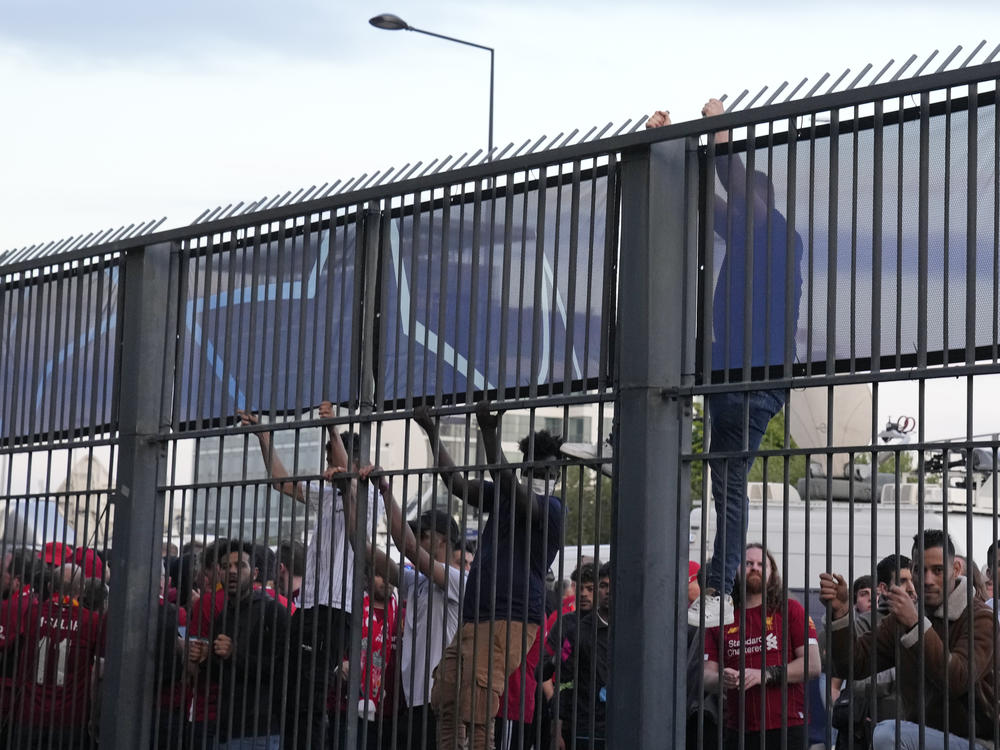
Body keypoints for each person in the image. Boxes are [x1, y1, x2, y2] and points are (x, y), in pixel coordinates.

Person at [647, 99, 804, 628]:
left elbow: (733, 194)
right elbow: (705, 202)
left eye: (744, 206)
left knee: (728, 480)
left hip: (755, 379)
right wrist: (673, 148)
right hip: (730, 378)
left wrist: (720, 137)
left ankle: (718, 585)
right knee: (724, 481)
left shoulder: (781, 236)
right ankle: (718, 584)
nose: (732, 215)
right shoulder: (742, 236)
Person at [415, 402, 565, 750]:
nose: (544, 479)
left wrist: (489, 433)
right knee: (449, 697)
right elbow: (456, 484)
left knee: (479, 706)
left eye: (549, 472)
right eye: (538, 471)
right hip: (475, 614)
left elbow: (511, 486)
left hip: (510, 617)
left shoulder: (553, 509)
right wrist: (433, 431)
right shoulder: (502, 495)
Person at [239, 401, 376, 750]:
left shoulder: (367, 492)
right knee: (292, 688)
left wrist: (333, 428)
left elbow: (348, 483)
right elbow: (281, 484)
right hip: (313, 604)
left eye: (331, 453)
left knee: (312, 692)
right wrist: (264, 438)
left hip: (336, 607)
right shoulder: (328, 492)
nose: (328, 462)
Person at [821, 530, 998, 750]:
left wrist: (916, 625)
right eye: (919, 570)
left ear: (956, 570)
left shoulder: (980, 618)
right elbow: (854, 665)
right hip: (923, 735)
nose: (927, 580)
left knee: (889, 735)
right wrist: (840, 615)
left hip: (978, 741)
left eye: (938, 570)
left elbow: (957, 679)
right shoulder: (904, 617)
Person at [360, 463, 465, 750]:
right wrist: (349, 493)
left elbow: (406, 546)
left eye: (424, 535)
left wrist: (385, 491)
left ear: (443, 539)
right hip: (415, 700)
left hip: (443, 699)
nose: (417, 540)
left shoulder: (458, 580)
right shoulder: (416, 581)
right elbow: (363, 547)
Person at [704, 544, 820, 750]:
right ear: (736, 570)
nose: (755, 568)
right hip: (737, 729)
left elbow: (812, 666)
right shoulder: (720, 616)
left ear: (771, 572)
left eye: (761, 564)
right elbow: (705, 677)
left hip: (786, 726)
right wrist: (723, 678)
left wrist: (764, 675)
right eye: (748, 563)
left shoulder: (790, 610)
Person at [11, 561, 105, 750]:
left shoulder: (32, 613)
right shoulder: (92, 621)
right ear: (82, 589)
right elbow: (99, 670)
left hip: (30, 716)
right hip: (70, 719)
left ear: (48, 586)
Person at [207, 540, 291, 750]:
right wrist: (204, 658)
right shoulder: (224, 616)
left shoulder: (274, 612)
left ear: (254, 573)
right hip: (226, 728)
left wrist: (235, 653)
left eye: (240, 566)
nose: (233, 572)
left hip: (261, 729)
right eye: (227, 567)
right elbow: (220, 673)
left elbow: (285, 670)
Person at [552, 563, 611, 750]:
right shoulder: (576, 631)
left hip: (623, 724)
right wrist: (557, 728)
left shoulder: (632, 629)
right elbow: (564, 677)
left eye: (612, 585)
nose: (608, 591)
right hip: (588, 727)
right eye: (603, 586)